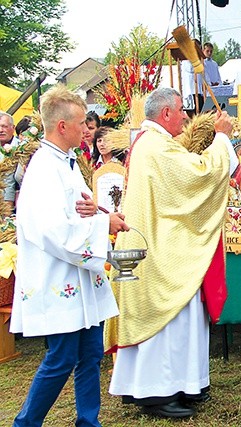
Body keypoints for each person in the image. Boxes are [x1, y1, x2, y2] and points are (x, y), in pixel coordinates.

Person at [107, 87, 238, 418]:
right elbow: (200, 176)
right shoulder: (155, 146)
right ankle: (156, 393)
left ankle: (181, 384)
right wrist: (221, 139)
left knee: (182, 320)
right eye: (181, 110)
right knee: (168, 322)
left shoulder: (153, 144)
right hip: (161, 255)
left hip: (164, 245)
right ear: (165, 113)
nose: (185, 116)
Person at [10, 85, 129, 426]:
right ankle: (26, 423)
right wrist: (103, 223)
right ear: (62, 126)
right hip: (58, 277)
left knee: (90, 354)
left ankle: (88, 421)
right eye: (81, 124)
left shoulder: (67, 163)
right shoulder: (43, 169)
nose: (87, 130)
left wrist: (97, 212)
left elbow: (76, 212)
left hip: (80, 277)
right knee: (61, 358)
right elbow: (51, 230)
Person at [0, 112, 19, 214]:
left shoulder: (22, 148)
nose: (1, 130)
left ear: (13, 128)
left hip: (15, 204)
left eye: (4, 126)